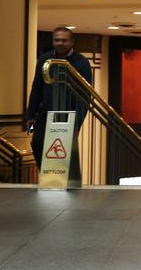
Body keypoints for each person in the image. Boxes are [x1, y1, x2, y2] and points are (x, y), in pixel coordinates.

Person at [25, 27, 92, 182]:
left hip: (69, 114)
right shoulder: (44, 59)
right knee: (38, 142)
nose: (60, 43)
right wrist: (30, 114)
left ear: (72, 41)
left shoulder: (81, 62)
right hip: (45, 112)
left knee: (65, 149)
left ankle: (66, 181)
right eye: (57, 40)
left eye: (64, 40)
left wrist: (77, 122)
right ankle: (49, 176)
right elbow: (37, 87)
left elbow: (85, 95)